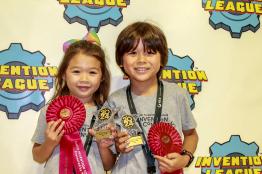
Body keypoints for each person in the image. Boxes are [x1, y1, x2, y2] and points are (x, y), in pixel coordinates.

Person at [102, 21, 199, 174]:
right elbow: (108, 159)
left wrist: (185, 158)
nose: (141, 59)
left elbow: (191, 134)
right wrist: (117, 145)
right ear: (121, 61)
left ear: (162, 58)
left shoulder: (177, 94)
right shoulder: (114, 100)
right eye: (133, 53)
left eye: (150, 52)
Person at [31, 35, 113, 174]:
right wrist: (50, 143)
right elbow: (37, 156)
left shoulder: (106, 115)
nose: (84, 79)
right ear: (64, 74)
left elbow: (108, 165)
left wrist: (103, 146)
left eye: (92, 72)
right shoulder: (50, 111)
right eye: (76, 71)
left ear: (102, 76)